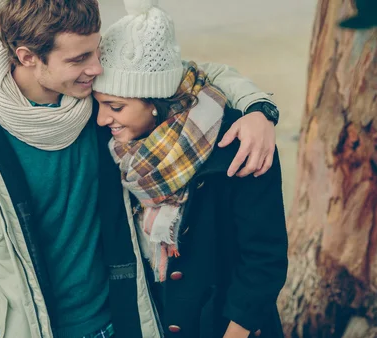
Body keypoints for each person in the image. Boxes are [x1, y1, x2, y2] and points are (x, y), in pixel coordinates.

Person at [0, 0, 282, 337]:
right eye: (79, 59)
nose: (97, 68)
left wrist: (258, 109)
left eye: (97, 51)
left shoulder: (93, 98)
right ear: (27, 57)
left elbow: (190, 75)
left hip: (125, 319)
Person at [92, 1, 288, 337]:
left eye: (115, 107)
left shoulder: (239, 145)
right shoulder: (116, 148)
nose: (101, 118)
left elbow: (264, 259)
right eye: (98, 103)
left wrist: (260, 109)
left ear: (154, 102)